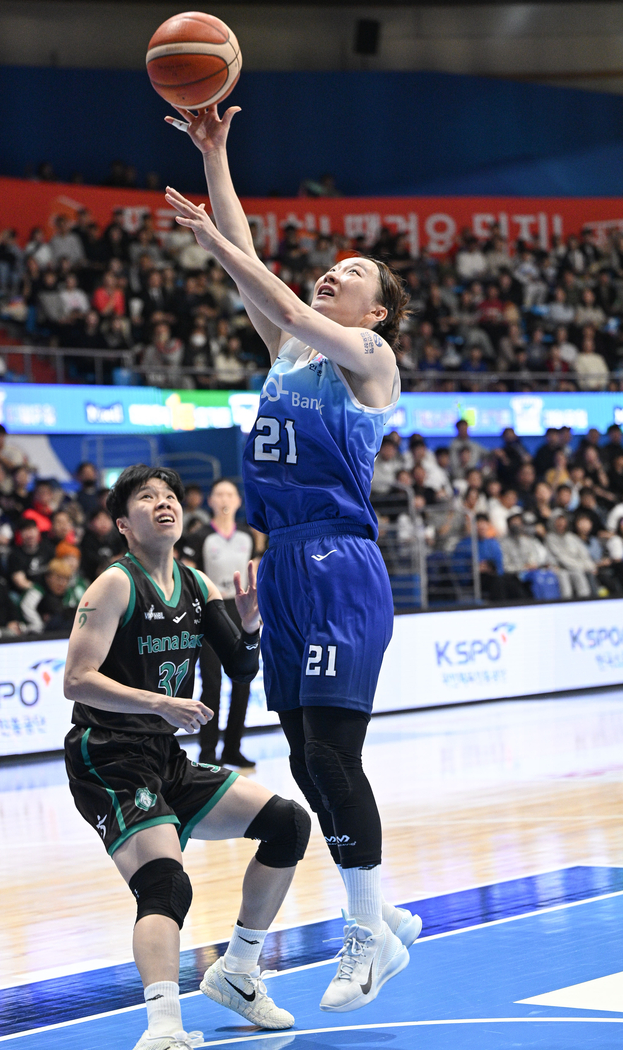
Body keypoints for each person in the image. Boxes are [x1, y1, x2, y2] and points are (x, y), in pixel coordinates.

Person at [166, 104, 420, 1014]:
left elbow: (272, 294)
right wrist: (217, 153)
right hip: (284, 568)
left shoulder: (372, 357)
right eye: (331, 265)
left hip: (340, 564)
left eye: (352, 272)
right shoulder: (287, 356)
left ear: (375, 309)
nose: (332, 272)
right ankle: (381, 914)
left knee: (333, 755)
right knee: (307, 764)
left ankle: (367, 937)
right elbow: (252, 263)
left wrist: (214, 245)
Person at [63, 465, 311, 1048]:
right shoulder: (114, 585)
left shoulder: (198, 584)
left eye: (170, 495)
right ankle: (163, 1028)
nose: (163, 503)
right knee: (166, 885)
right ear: (124, 525)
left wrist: (250, 626)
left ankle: (238, 972)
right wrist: (158, 702)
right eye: (146, 497)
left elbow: (242, 666)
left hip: (163, 755)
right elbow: (76, 679)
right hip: (108, 756)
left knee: (288, 824)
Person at [194, 478, 258, 768]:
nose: (224, 499)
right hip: (211, 610)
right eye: (218, 494)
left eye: (229, 494)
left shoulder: (247, 535)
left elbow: (254, 575)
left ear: (238, 501)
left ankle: (233, 748)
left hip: (242, 610)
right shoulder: (200, 536)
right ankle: (208, 754)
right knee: (212, 683)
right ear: (210, 500)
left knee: (243, 681)